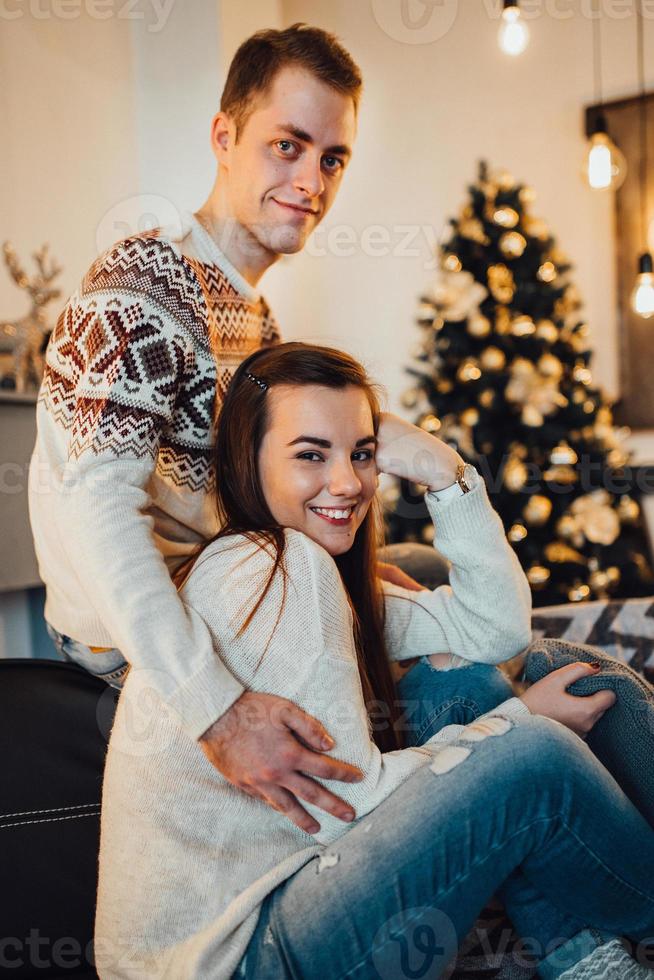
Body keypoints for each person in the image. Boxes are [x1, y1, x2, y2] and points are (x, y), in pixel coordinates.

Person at [95, 343, 654, 980]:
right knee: (536, 755)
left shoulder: (307, 566)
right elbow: (348, 806)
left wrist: (447, 473)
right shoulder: (271, 569)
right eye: (311, 454)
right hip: (235, 958)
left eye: (361, 453)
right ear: (249, 463)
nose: (347, 483)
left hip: (284, 908)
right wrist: (520, 722)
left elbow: (495, 631)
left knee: (481, 680)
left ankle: (584, 957)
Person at [29, 23, 416, 835]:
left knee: (416, 568)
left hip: (228, 586)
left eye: (332, 158)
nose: (311, 179)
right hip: (131, 642)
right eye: (288, 145)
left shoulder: (255, 317)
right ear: (224, 136)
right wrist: (219, 713)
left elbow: (276, 488)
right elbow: (96, 510)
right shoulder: (144, 284)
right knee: (438, 655)